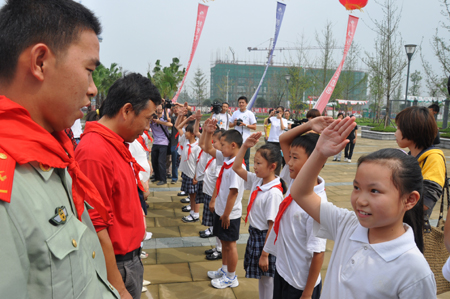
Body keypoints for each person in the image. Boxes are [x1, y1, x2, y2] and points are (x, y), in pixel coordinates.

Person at [0, 0, 119, 298]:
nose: (92, 88)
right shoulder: (9, 185)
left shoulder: (51, 156)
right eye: (89, 70)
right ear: (40, 62)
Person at [290, 116, 436, 298]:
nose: (360, 200)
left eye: (374, 190)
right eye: (356, 187)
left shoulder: (414, 271)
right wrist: (319, 152)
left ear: (410, 200)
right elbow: (301, 193)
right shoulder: (347, 225)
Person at [75, 73, 161, 299]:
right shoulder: (95, 152)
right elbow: (96, 227)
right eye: (148, 118)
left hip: (129, 259)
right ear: (126, 110)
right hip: (118, 265)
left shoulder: (114, 144)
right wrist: (118, 287)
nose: (148, 126)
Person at [264, 117, 333, 299]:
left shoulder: (318, 205)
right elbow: (283, 139)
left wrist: (308, 293)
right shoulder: (295, 180)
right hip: (283, 270)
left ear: (315, 162)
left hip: (300, 283)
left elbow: (318, 253)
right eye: (290, 156)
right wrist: (309, 125)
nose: (289, 162)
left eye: (295, 158)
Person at [232, 136, 285, 299]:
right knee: (262, 279)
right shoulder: (258, 180)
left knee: (268, 279)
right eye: (254, 162)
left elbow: (273, 227)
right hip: (256, 235)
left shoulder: (274, 193)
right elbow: (236, 167)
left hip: (265, 239)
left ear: (272, 166)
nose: (254, 167)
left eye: (258, 163)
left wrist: (265, 254)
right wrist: (245, 147)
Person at [203, 118, 246, 289]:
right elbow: (207, 147)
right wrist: (207, 131)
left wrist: (226, 214)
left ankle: (231, 277)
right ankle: (224, 269)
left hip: (230, 213)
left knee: (230, 245)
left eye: (222, 144)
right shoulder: (227, 159)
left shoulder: (236, 167)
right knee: (223, 241)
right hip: (222, 210)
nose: (219, 147)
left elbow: (233, 193)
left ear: (233, 146)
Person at [395, 106, 446, 221]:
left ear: (412, 130)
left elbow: (426, 201)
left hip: (414, 228)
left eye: (398, 128)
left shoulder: (434, 158)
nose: (395, 133)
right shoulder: (409, 156)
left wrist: (389, 206)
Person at [201, 129, 225, 261]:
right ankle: (217, 247)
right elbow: (205, 146)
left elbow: (218, 181)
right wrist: (208, 132)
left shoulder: (221, 160)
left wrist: (213, 199)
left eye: (215, 142)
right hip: (211, 195)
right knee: (215, 225)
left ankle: (220, 249)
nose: (213, 144)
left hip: (216, 198)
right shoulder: (218, 157)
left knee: (219, 226)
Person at [176, 116, 202, 222]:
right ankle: (192, 211)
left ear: (192, 134)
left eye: (187, 131)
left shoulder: (197, 146)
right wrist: (187, 120)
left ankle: (196, 214)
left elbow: (199, 163)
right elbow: (178, 127)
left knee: (195, 195)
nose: (185, 133)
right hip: (187, 173)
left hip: (193, 174)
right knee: (191, 194)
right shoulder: (185, 141)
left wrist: (196, 176)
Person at [229, 96, 257, 170]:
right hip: (236, 140)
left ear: (246, 104)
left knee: (246, 160)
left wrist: (245, 125)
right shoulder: (235, 113)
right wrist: (235, 123)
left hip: (246, 140)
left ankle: (246, 176)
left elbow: (254, 127)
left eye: (243, 102)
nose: (241, 104)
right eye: (240, 102)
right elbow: (230, 125)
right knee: (235, 158)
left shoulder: (250, 114)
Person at [150, 104, 172, 186]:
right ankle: (156, 176)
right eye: (156, 113)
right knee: (154, 160)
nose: (157, 115)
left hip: (164, 143)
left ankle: (163, 179)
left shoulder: (163, 119)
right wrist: (150, 120)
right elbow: (145, 127)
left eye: (159, 113)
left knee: (161, 161)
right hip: (155, 142)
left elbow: (170, 125)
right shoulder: (152, 121)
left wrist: (160, 121)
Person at [169, 104, 181, 183]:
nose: (176, 109)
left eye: (177, 108)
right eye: (174, 108)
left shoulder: (185, 118)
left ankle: (185, 176)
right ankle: (174, 177)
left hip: (183, 142)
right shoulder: (173, 118)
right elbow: (168, 119)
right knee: (174, 160)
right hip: (175, 142)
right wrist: (170, 110)